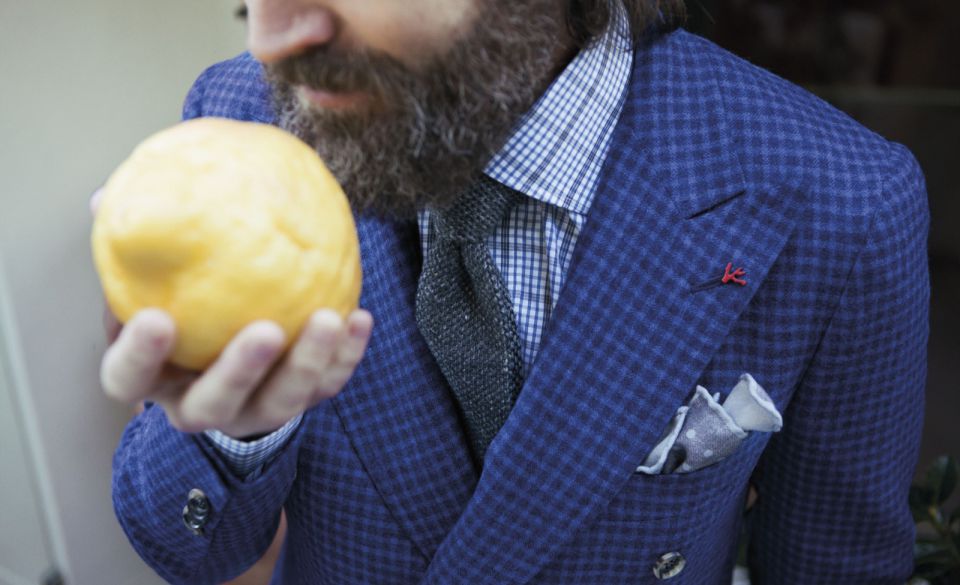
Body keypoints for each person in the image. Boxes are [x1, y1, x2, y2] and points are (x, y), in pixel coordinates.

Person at [104, 0, 930, 583]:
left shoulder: (845, 203)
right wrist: (232, 429)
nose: (269, 34)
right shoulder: (244, 121)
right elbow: (189, 549)